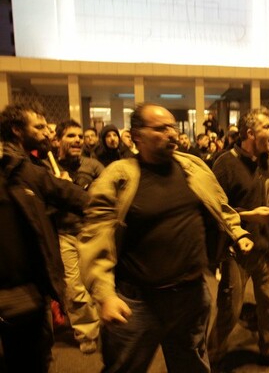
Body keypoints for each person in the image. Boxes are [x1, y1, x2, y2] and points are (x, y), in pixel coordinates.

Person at [78, 103, 252, 373]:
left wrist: (238, 232)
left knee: (191, 366)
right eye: (160, 128)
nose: (171, 134)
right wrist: (105, 295)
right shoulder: (118, 176)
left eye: (172, 126)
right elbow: (95, 236)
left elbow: (219, 204)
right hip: (136, 303)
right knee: (124, 367)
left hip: (191, 296)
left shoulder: (191, 166)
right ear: (136, 136)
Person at [0, 102, 88, 372]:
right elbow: (81, 199)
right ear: (17, 130)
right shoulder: (19, 169)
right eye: (38, 127)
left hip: (23, 288)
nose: (47, 131)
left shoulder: (29, 165)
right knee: (32, 359)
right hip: (19, 290)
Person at [209, 109, 269, 372]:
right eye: (267, 127)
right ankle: (213, 355)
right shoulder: (224, 164)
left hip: (266, 250)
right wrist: (248, 215)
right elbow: (213, 209)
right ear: (249, 133)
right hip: (236, 253)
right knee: (230, 310)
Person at [53, 119, 104, 353]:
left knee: (96, 281)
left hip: (92, 232)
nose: (77, 141)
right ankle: (87, 331)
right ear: (58, 140)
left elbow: (105, 195)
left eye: (79, 136)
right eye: (71, 136)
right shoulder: (48, 167)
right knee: (74, 287)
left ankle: (102, 320)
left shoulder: (92, 166)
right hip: (65, 233)